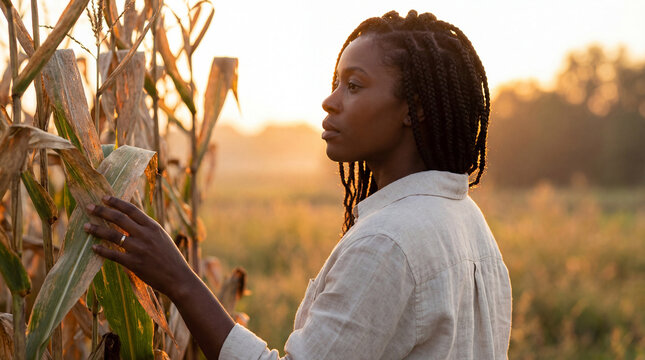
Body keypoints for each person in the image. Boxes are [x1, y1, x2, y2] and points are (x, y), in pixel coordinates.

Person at [84, 10, 512, 360]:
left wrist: (179, 280)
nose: (330, 100)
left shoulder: (388, 243)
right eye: (335, 84)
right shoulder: (468, 222)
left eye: (355, 85)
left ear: (413, 109)